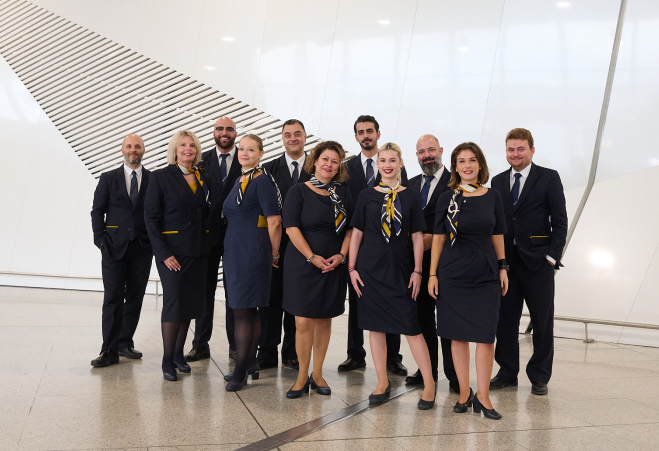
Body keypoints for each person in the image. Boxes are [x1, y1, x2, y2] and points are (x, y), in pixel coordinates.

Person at [349, 143, 436, 410]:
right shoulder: (366, 195)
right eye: (382, 160)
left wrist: (418, 270)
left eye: (392, 160)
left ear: (400, 163)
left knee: (412, 327)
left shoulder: (410, 196)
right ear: (378, 165)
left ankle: (430, 383)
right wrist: (352, 268)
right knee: (375, 327)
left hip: (401, 268)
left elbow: (418, 236)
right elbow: (357, 234)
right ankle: (382, 382)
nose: (387, 164)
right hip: (370, 269)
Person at [429, 142, 508, 420]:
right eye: (461, 161)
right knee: (457, 336)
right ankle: (464, 392)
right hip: (453, 272)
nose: (467, 166)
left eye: (472, 160)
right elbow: (438, 238)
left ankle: (483, 396)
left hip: (485, 271)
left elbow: (497, 234)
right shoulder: (447, 198)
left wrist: (503, 267)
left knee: (486, 338)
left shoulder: (493, 196)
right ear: (455, 167)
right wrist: (433, 273)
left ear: (480, 164)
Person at [490, 128, 567, 396]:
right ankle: (507, 372)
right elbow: (496, 223)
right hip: (506, 265)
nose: (515, 154)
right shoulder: (498, 181)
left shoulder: (548, 178)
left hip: (538, 263)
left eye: (520, 149)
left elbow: (560, 221)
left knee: (542, 322)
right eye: (511, 149)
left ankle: (539, 376)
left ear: (532, 150)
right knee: (505, 321)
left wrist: (551, 258)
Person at [282, 141, 354, 399]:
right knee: (302, 322)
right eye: (325, 159)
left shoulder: (343, 193)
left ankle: (319, 373)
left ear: (338, 168)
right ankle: (302, 375)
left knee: (324, 319)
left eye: (335, 161)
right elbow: (291, 228)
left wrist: (342, 255)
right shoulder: (298, 191)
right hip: (302, 264)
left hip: (332, 265)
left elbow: (350, 230)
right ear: (315, 161)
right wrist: (312, 257)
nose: (329, 164)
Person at [339, 115, 407, 376]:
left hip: (389, 245)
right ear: (356, 137)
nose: (365, 135)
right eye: (360, 132)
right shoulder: (347, 167)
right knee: (357, 299)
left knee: (392, 300)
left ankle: (393, 357)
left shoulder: (393, 163)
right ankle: (355, 354)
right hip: (358, 244)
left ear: (378, 133)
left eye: (370, 131)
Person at [144, 130, 212, 381]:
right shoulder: (161, 177)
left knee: (190, 305)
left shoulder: (201, 176)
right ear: (174, 149)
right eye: (183, 145)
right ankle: (166, 359)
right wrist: (163, 253)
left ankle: (178, 355)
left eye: (192, 145)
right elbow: (150, 217)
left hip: (198, 250)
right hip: (172, 253)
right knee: (174, 303)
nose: (188, 149)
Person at [222, 134, 282, 391]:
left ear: (261, 153)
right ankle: (249, 363)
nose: (244, 153)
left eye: (251, 149)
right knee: (246, 309)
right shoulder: (240, 179)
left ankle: (240, 371)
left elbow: (275, 221)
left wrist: (274, 253)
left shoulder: (263, 181)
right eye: (241, 149)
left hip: (253, 253)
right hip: (236, 252)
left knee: (243, 311)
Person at [90, 134, 152, 367]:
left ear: (143, 150)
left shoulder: (152, 179)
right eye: (129, 146)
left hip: (143, 248)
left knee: (135, 297)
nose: (133, 150)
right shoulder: (108, 178)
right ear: (122, 149)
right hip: (113, 248)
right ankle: (109, 349)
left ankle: (125, 342)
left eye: (137, 146)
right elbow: (97, 211)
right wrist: (100, 241)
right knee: (113, 298)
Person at [185, 117, 241, 363]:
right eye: (220, 128)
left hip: (237, 237)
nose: (224, 132)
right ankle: (200, 344)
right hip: (206, 236)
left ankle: (236, 345)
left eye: (229, 129)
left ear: (235, 133)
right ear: (213, 132)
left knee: (235, 293)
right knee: (203, 291)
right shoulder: (200, 161)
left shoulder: (247, 158)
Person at [405, 134, 458, 391]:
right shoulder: (410, 184)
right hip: (417, 265)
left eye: (431, 150)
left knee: (448, 320)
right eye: (421, 152)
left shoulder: (455, 182)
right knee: (422, 318)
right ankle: (429, 371)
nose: (427, 155)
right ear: (416, 156)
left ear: (441, 151)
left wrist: (433, 240)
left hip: (447, 263)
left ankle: (454, 374)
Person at [259, 119, 312, 370]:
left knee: (295, 302)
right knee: (271, 301)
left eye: (297, 134)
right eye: (288, 134)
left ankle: (291, 352)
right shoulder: (268, 169)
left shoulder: (317, 167)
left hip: (305, 247)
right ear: (282, 138)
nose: (293, 138)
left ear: (305, 137)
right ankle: (267, 351)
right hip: (275, 245)